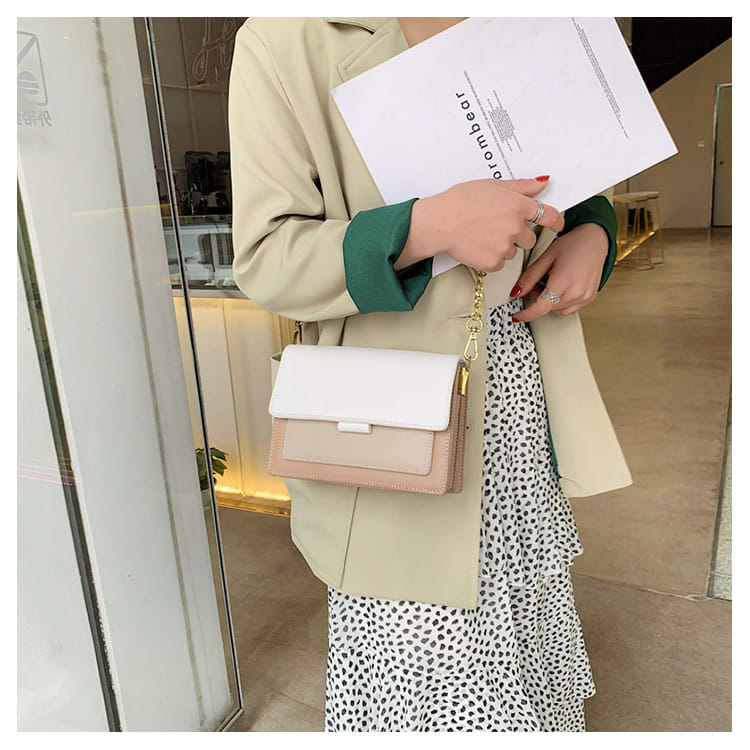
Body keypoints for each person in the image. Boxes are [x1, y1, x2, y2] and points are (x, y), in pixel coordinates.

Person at [229, 16, 632, 732]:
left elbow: (575, 176)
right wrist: (423, 228)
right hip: (395, 424)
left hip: (519, 399)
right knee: (425, 668)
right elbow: (267, 259)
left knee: (525, 626)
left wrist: (592, 232)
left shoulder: (530, 19)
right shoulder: (286, 37)